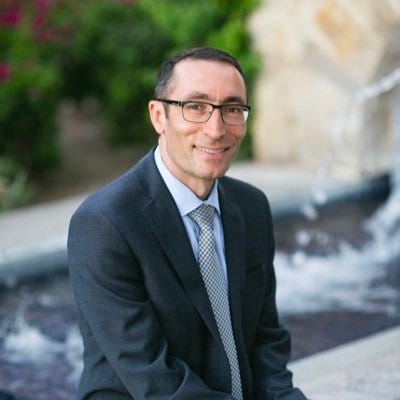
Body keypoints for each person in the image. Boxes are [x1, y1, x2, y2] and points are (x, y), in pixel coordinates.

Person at [68, 47, 308, 400]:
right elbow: (154, 376)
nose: (216, 129)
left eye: (232, 109)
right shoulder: (105, 224)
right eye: (195, 107)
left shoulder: (252, 207)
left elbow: (266, 342)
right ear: (159, 116)